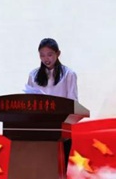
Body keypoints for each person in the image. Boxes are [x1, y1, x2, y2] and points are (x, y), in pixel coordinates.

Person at [25, 37, 78, 171]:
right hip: (39, 129)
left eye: (49, 54)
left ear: (58, 53)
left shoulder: (69, 74)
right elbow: (28, 101)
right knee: (39, 170)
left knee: (58, 171)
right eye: (42, 55)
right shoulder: (33, 75)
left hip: (60, 129)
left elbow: (73, 102)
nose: (46, 59)